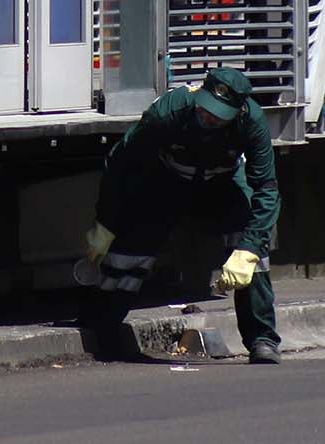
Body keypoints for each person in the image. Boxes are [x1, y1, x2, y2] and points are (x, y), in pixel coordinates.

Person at [78, 67, 282, 364]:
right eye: (205, 108)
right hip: (167, 179)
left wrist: (248, 250)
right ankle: (104, 328)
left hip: (221, 183)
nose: (208, 117)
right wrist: (106, 223)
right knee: (131, 246)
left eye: (219, 114)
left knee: (252, 245)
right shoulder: (169, 112)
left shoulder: (252, 121)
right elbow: (121, 165)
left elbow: (266, 188)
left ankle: (262, 339)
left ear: (237, 113)